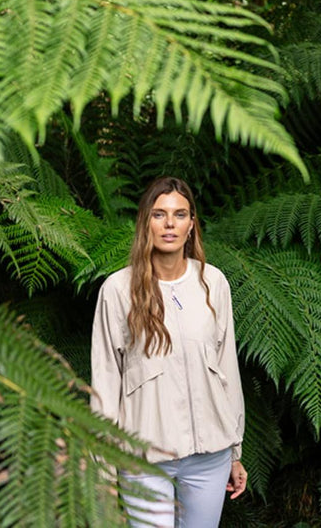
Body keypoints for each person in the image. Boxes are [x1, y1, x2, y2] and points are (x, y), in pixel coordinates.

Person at [91, 176, 247, 527]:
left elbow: (227, 370)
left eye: (179, 214)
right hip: (143, 456)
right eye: (159, 215)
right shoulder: (117, 290)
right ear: (146, 222)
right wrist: (104, 468)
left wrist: (235, 451)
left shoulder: (213, 283)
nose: (170, 224)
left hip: (210, 457)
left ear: (192, 224)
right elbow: (104, 382)